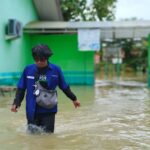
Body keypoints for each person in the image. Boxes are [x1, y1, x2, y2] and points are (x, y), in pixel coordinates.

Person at [11, 44, 80, 133]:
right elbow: (21, 88)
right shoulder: (28, 70)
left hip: (49, 110)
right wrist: (16, 103)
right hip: (32, 110)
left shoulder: (56, 70)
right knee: (33, 139)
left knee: (48, 137)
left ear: (47, 58)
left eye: (42, 59)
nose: (39, 62)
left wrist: (74, 99)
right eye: (36, 59)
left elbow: (64, 86)